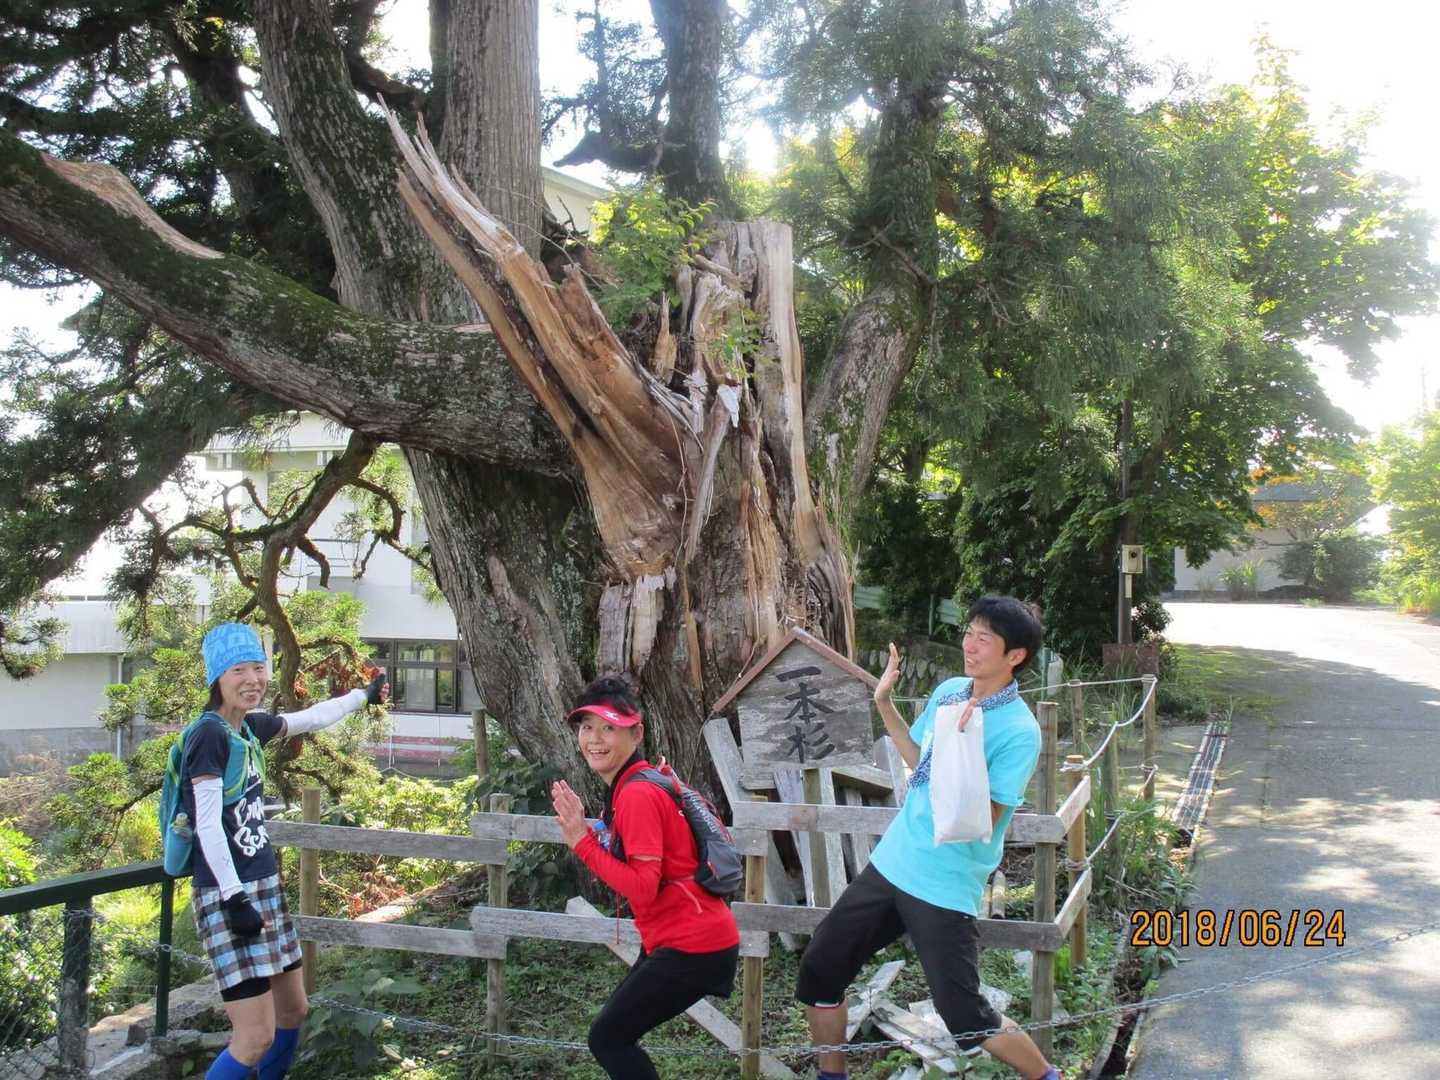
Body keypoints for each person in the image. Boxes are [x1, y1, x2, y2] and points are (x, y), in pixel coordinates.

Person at [796, 595, 1062, 1080]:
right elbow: (919, 761)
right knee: (821, 969)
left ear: (1015, 656)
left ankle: (1048, 1077)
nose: (970, 645)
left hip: (944, 878)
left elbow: (985, 816)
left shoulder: (1021, 731)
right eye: (969, 633)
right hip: (895, 860)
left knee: (965, 1017)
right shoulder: (950, 692)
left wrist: (962, 747)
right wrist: (884, 703)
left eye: (985, 639)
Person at [183, 623, 387, 1080]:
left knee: (293, 1011)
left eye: (258, 667)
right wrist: (234, 898)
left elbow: (310, 718)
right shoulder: (209, 735)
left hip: (262, 886)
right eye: (239, 670)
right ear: (217, 677)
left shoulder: (247, 729)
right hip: (227, 893)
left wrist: (364, 696)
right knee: (254, 1038)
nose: (252, 679)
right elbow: (207, 824)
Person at [550, 676, 740, 1080]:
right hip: (678, 938)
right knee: (612, 1034)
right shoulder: (636, 783)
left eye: (609, 728)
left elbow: (642, 886)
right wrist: (591, 834)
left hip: (692, 945)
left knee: (608, 1039)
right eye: (587, 727)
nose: (594, 739)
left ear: (636, 734)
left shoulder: (636, 794)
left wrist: (581, 841)